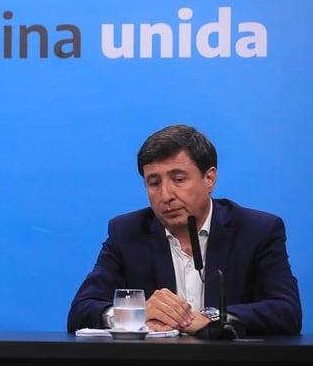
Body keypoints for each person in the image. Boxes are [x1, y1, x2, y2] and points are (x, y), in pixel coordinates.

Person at [67, 124, 302, 336]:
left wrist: (212, 318)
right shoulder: (127, 232)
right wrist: (136, 314)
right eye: (154, 183)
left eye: (178, 179)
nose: (166, 195)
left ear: (209, 178)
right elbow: (80, 311)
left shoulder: (257, 230)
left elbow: (287, 311)